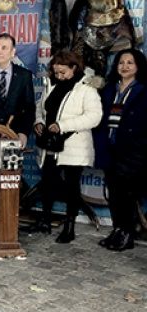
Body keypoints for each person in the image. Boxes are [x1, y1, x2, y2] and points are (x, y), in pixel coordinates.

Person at [33, 50, 102, 243]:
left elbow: (94, 117)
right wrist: (38, 122)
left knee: (72, 187)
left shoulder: (87, 89)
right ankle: (45, 220)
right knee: (47, 182)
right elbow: (41, 108)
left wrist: (63, 126)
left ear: (74, 68)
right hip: (50, 146)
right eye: (56, 72)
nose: (58, 76)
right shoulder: (52, 85)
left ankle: (69, 228)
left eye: (63, 72)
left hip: (74, 145)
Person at [93, 48, 147, 251]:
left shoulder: (143, 90)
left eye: (130, 63)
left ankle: (127, 234)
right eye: (121, 62)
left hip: (132, 151)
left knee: (128, 194)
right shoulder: (109, 90)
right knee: (114, 193)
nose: (124, 66)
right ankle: (117, 230)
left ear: (138, 66)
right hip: (110, 148)